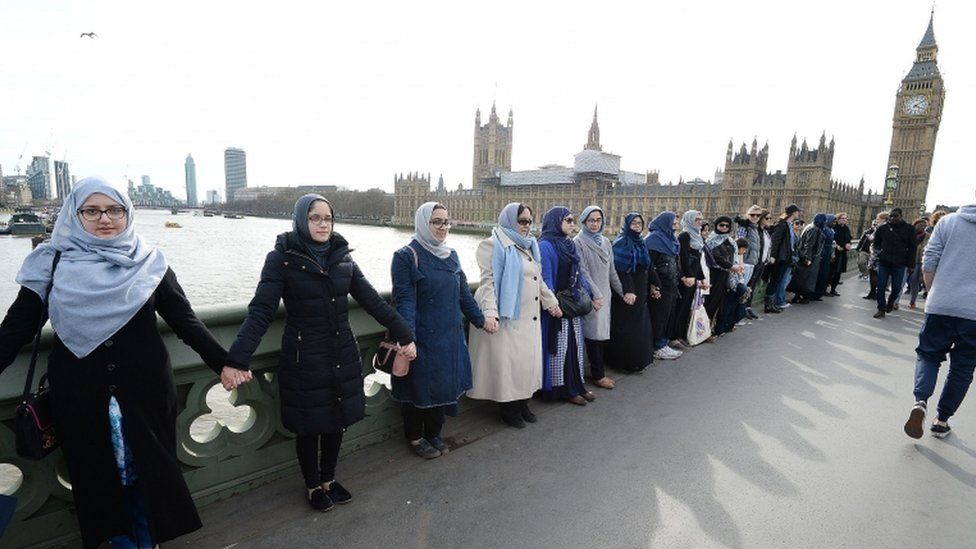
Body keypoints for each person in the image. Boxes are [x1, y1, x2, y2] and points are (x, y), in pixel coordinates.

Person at [0, 177, 242, 548]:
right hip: (80, 395)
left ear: (128, 213)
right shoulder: (51, 262)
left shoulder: (149, 261)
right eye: (92, 211)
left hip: (146, 393)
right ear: (74, 214)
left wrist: (225, 362)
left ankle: (148, 541)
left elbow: (185, 321)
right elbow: (17, 328)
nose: (105, 219)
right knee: (97, 478)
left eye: (115, 210)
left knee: (149, 476)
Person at [225, 194, 415, 511]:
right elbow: (260, 312)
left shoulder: (343, 258)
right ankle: (313, 485)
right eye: (315, 218)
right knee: (310, 424)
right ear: (301, 220)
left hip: (341, 352)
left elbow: (374, 303)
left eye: (327, 218)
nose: (323, 224)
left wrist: (405, 335)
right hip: (304, 357)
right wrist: (236, 359)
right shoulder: (282, 258)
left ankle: (329, 479)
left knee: (336, 420)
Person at [390, 202, 485, 459]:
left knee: (445, 387)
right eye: (436, 221)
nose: (443, 227)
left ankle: (434, 432)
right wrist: (408, 337)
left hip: (450, 336)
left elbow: (463, 293)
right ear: (423, 223)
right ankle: (415, 436)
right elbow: (405, 300)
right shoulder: (406, 256)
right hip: (422, 337)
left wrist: (480, 320)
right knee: (418, 390)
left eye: (446, 221)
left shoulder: (451, 254)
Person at [468, 203, 560, 428]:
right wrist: (490, 313)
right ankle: (509, 409)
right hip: (507, 316)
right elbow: (487, 282)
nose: (527, 225)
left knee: (525, 365)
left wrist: (552, 303)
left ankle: (522, 404)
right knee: (508, 366)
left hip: (529, 317)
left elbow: (538, 281)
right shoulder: (491, 245)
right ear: (509, 220)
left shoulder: (530, 246)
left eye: (529, 221)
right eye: (522, 221)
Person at [903, 199, 976, 439]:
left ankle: (920, 401)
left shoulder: (948, 222)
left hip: (942, 304)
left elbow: (929, 259)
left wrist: (935, 293)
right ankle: (941, 420)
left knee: (928, 354)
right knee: (963, 368)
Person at [539, 206, 598, 405]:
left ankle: (577, 385)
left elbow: (579, 273)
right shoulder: (545, 245)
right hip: (557, 305)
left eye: (573, 220)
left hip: (572, 303)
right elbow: (545, 278)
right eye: (568, 220)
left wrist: (589, 295)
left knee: (574, 346)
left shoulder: (569, 244)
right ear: (556, 221)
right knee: (560, 348)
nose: (572, 224)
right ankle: (561, 389)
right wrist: (553, 304)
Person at [574, 205, 623, 389]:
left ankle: (598, 371)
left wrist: (622, 292)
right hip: (591, 295)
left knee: (601, 335)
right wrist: (596, 295)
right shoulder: (578, 242)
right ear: (584, 221)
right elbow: (583, 272)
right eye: (591, 220)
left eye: (598, 220)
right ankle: (598, 375)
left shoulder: (605, 242)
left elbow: (612, 271)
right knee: (593, 335)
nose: (595, 224)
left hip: (605, 295)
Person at [607, 212, 659, 371]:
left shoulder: (641, 242)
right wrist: (628, 291)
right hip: (627, 290)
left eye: (639, 223)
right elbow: (621, 270)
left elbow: (648, 265)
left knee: (639, 327)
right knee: (626, 326)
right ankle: (623, 362)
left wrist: (655, 284)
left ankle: (638, 361)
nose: (637, 226)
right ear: (627, 225)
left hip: (641, 288)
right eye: (633, 223)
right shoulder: (621, 243)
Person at [644, 212, 683, 360]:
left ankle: (663, 342)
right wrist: (653, 285)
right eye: (673, 223)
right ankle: (657, 346)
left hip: (671, 284)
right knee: (659, 317)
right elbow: (649, 266)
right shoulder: (653, 240)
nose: (676, 225)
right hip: (660, 285)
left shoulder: (671, 239)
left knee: (666, 316)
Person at [871, 207, 917, 319]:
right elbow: (876, 244)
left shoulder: (909, 229)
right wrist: (880, 252)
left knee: (896, 287)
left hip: (900, 264)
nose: (892, 218)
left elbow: (912, 248)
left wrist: (911, 265)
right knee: (880, 286)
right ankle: (881, 309)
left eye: (895, 216)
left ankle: (891, 301)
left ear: (901, 216)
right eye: (890, 216)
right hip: (884, 262)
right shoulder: (882, 229)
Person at [670, 210, 708, 343]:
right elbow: (683, 258)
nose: (700, 222)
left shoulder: (697, 236)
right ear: (689, 220)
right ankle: (674, 336)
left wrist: (701, 278)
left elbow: (697, 259)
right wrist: (688, 276)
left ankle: (682, 335)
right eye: (697, 219)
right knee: (680, 307)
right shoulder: (685, 236)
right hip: (686, 279)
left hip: (693, 277)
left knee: (686, 307)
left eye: (701, 219)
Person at [766, 204, 802, 312]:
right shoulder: (782, 224)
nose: (798, 213)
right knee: (774, 281)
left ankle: (772, 304)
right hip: (779, 258)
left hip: (786, 258)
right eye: (797, 212)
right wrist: (772, 255)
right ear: (793, 213)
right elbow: (775, 240)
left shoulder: (788, 224)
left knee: (777, 280)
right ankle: (768, 305)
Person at [704, 216, 739, 324]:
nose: (724, 227)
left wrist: (735, 266)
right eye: (721, 225)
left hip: (726, 274)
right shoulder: (712, 239)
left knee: (719, 300)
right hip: (714, 273)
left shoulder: (729, 240)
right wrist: (730, 266)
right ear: (716, 226)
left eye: (727, 226)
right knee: (711, 300)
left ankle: (713, 326)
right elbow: (715, 257)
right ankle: (704, 327)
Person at [734, 205, 766, 319]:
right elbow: (739, 245)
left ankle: (743, 311)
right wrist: (741, 263)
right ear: (747, 215)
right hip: (745, 262)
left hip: (753, 262)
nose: (755, 217)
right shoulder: (744, 227)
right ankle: (737, 313)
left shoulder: (754, 227)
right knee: (742, 288)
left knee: (748, 288)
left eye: (758, 215)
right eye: (752, 215)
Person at [791, 214, 826, 304]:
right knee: (806, 278)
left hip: (806, 256)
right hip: (810, 258)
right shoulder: (814, 229)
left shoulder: (810, 227)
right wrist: (807, 258)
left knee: (800, 277)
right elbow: (809, 245)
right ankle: (804, 297)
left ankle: (797, 296)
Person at [861, 212, 889, 300]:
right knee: (880, 275)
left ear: (883, 219)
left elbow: (873, 239)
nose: (876, 221)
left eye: (878, 219)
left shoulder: (879, 228)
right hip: (884, 254)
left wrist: (869, 237)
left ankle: (873, 293)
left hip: (876, 254)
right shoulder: (890, 228)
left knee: (873, 274)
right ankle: (876, 293)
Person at [827, 212, 853, 296]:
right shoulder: (834, 227)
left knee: (838, 273)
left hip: (843, 253)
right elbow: (830, 239)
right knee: (830, 272)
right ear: (838, 219)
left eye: (846, 218)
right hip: (834, 253)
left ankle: (833, 289)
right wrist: (836, 246)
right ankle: (824, 289)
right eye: (843, 218)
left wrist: (849, 244)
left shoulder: (846, 228)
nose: (845, 220)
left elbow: (849, 239)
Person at [907, 217, 929, 309]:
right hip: (906, 260)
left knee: (914, 282)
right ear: (915, 225)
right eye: (920, 225)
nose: (923, 227)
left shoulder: (928, 236)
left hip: (918, 262)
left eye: (924, 226)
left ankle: (913, 301)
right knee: (900, 282)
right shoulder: (908, 234)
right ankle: (895, 301)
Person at [813, 214, 836, 300]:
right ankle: (816, 293)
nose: (834, 223)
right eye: (833, 221)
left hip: (828, 253)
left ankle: (820, 292)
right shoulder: (823, 229)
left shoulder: (830, 229)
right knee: (821, 274)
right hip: (823, 253)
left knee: (825, 274)